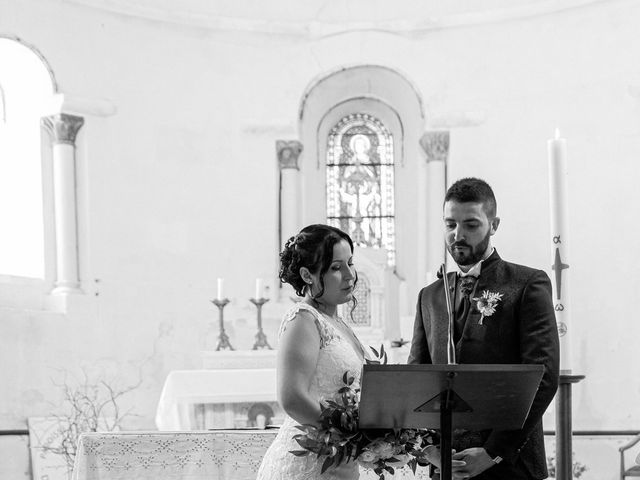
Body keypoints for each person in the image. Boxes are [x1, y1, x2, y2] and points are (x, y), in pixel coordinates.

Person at [408, 178, 559, 480]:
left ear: (494, 224)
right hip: (446, 466)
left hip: (510, 465)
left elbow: (542, 377)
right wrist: (431, 449)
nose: (457, 235)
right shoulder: (430, 295)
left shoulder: (527, 284)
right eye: (450, 224)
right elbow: (418, 380)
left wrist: (493, 452)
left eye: (471, 225)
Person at [257, 224, 367, 480]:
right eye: (336, 268)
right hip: (308, 463)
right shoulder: (303, 319)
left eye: (350, 263)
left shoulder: (336, 322)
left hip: (338, 460)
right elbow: (292, 398)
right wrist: (350, 434)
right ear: (308, 275)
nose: (350, 275)